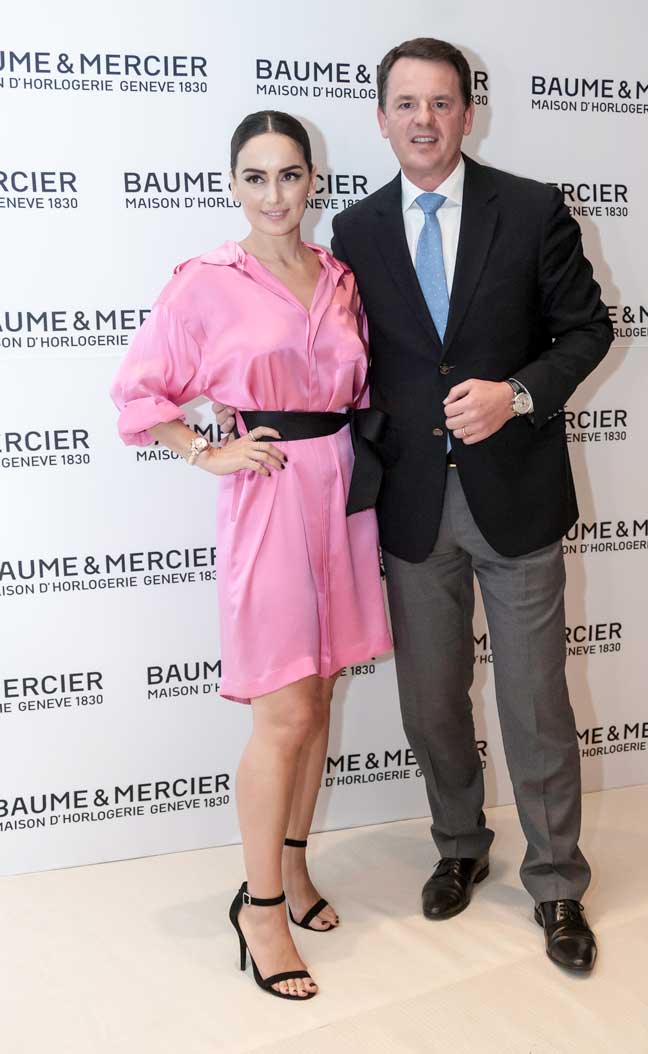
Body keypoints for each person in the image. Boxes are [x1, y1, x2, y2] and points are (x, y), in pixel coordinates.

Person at [219, 38, 611, 973]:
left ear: (468, 112)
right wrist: (231, 430)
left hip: (515, 497)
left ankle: (557, 882)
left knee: (534, 701)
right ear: (382, 118)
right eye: (406, 104)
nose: (424, 121)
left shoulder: (531, 208)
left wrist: (516, 394)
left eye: (440, 103)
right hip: (407, 508)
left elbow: (588, 329)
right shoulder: (352, 236)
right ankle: (459, 845)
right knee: (431, 704)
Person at [111, 110, 392, 1000]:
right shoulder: (204, 282)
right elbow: (140, 392)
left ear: (313, 182)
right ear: (233, 184)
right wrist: (206, 451)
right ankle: (260, 907)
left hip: (342, 498)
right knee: (283, 713)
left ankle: (296, 867)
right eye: (257, 176)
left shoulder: (339, 277)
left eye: (290, 175)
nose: (275, 194)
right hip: (270, 498)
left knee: (319, 699)